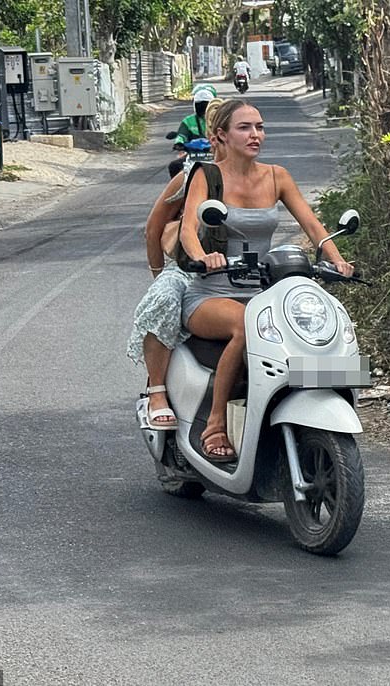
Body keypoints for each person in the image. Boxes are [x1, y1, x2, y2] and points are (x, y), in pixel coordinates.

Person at [179, 99, 354, 460]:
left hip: (263, 291)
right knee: (246, 327)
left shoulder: (277, 176)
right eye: (245, 127)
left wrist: (337, 260)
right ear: (222, 136)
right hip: (211, 293)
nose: (255, 134)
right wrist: (203, 256)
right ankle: (215, 423)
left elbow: (312, 225)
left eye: (259, 126)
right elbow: (187, 231)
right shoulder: (205, 175)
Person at [127, 99, 226, 428]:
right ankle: (157, 390)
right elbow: (154, 228)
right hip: (189, 271)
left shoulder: (261, 177)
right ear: (214, 137)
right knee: (164, 300)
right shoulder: (190, 178)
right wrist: (158, 275)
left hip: (242, 273)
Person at [168, 86, 217, 178]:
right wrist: (178, 143)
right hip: (193, 155)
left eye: (206, 104)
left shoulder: (219, 119)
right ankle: (179, 191)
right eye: (200, 104)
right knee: (174, 166)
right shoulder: (188, 121)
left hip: (216, 154)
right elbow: (182, 134)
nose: (203, 108)